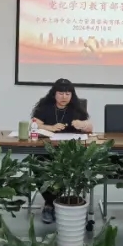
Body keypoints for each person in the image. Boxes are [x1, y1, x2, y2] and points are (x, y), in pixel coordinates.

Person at [30, 78, 94, 224]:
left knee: (64, 166)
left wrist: (81, 124)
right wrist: (50, 127)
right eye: (60, 93)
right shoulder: (45, 106)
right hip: (46, 150)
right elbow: (34, 124)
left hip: (70, 151)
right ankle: (50, 202)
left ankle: (51, 204)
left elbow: (90, 127)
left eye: (67, 94)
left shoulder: (76, 108)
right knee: (38, 165)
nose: (64, 97)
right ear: (54, 94)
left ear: (72, 95)